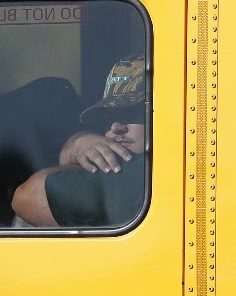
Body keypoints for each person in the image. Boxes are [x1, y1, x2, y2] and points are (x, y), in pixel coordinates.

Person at [12, 54, 147, 228]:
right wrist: (78, 143)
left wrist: (76, 146)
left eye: (131, 113)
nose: (115, 127)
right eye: (109, 116)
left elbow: (28, 195)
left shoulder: (141, 173)